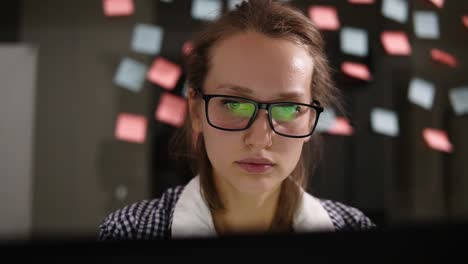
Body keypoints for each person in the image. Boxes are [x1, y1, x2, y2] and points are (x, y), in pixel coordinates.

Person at [98, 0, 376, 240]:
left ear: (311, 119)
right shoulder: (130, 232)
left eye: (288, 108)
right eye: (235, 104)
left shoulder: (357, 234)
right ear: (196, 112)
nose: (259, 138)